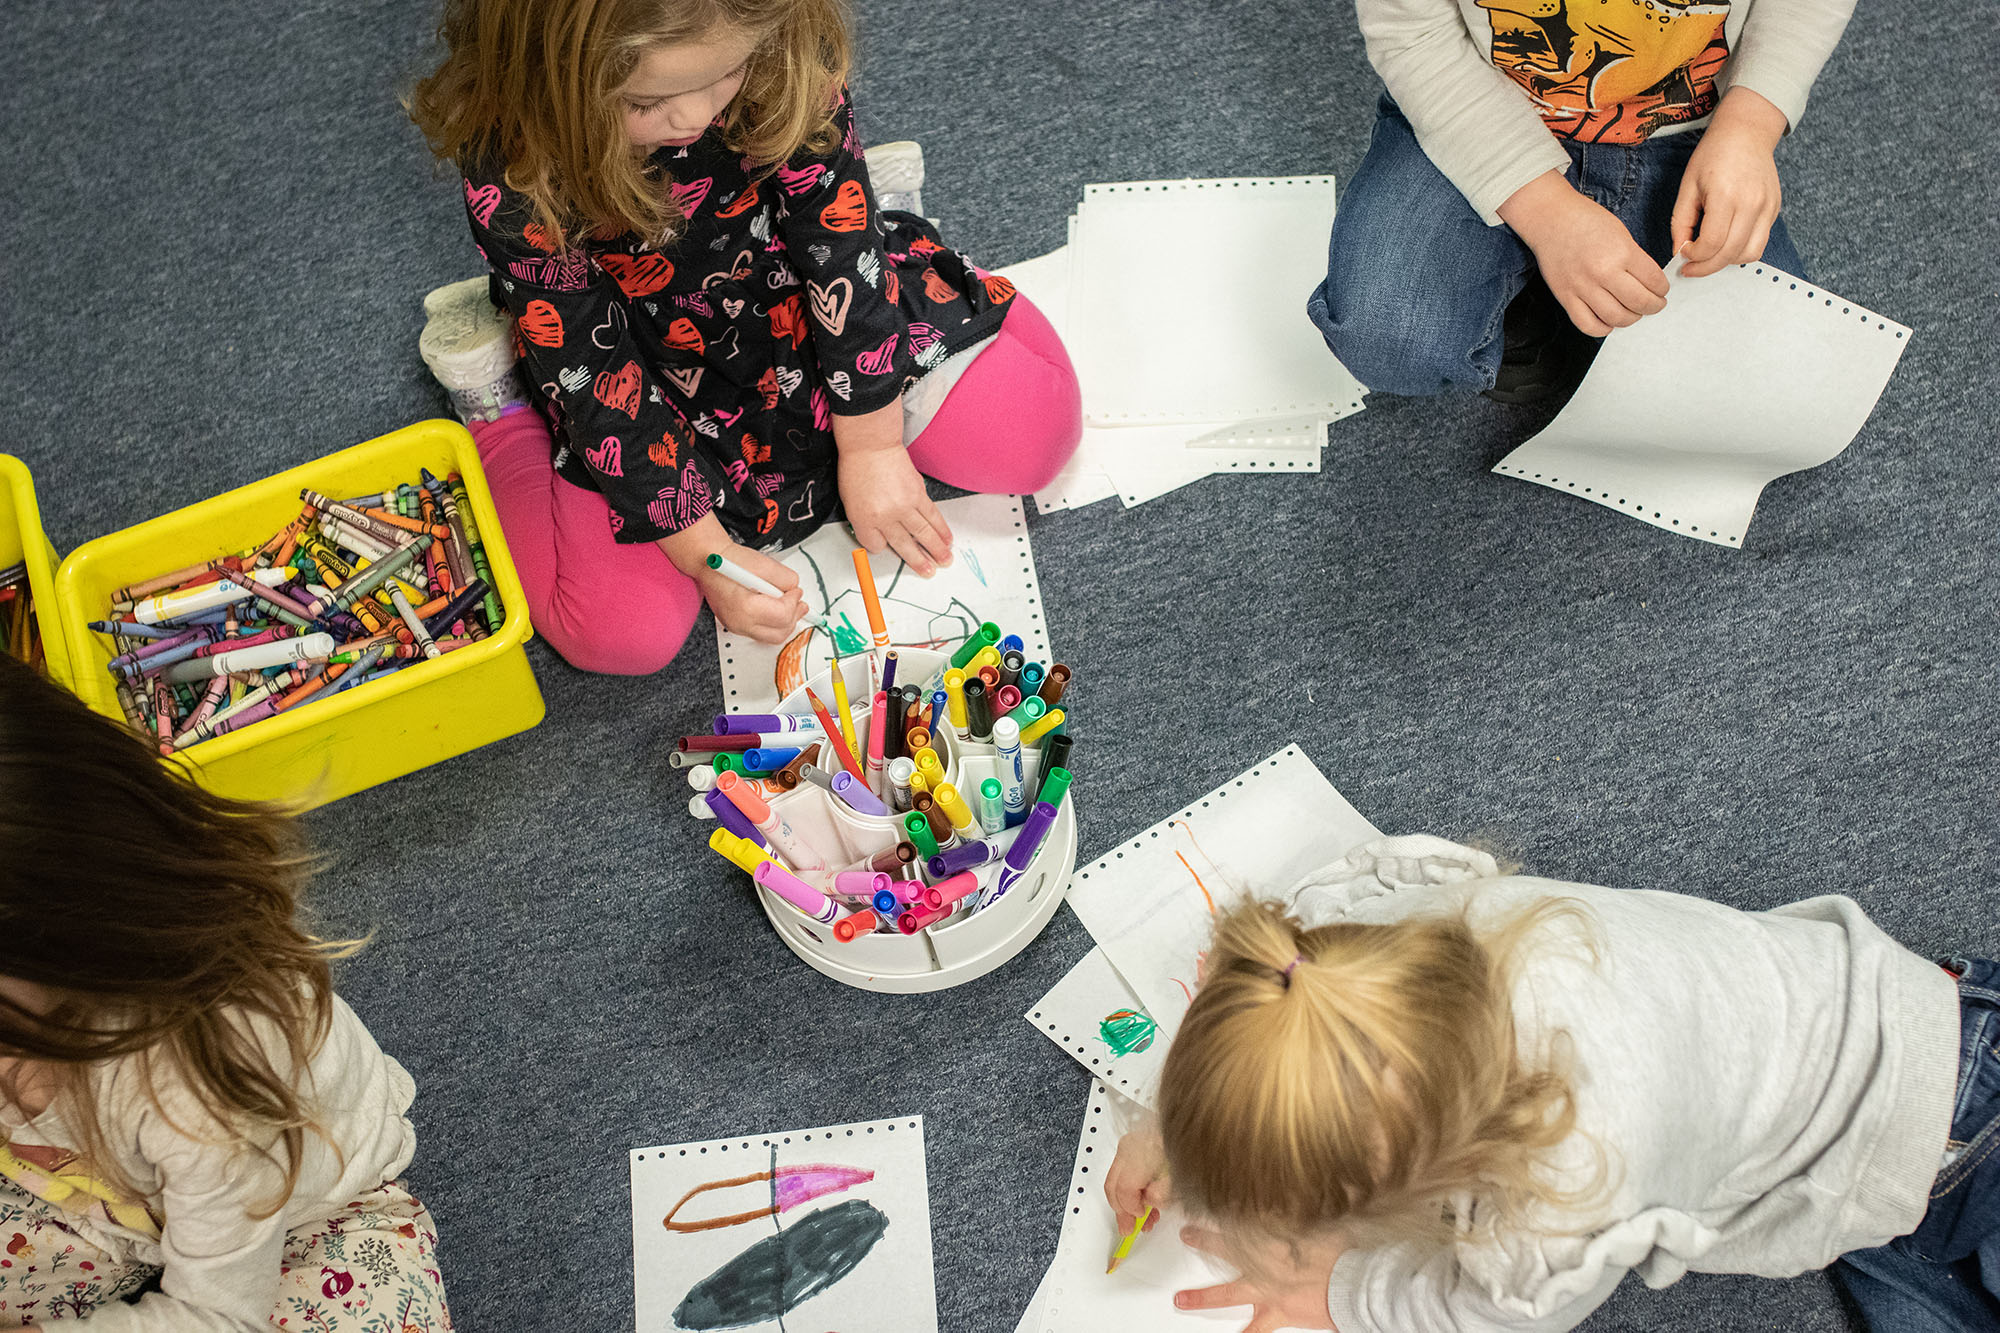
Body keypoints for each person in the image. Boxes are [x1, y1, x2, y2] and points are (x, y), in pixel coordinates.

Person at [407, 0, 1082, 674]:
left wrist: (873, 444)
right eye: (648, 102)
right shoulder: (517, 157)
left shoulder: (778, 42)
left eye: (720, 76)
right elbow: (592, 370)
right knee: (621, 636)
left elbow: (839, 255)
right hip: (637, 363)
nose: (693, 118)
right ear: (543, 72)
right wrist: (706, 555)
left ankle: (889, 212)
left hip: (801, 295)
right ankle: (496, 409)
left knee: (1037, 433)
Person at [1106, 835, 1995, 1331]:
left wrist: (1340, 1293)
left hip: (1945, 1145)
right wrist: (1186, 1121)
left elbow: (1506, 1312)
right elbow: (1278, 1004)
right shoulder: (1376, 941)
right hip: (1908, 1024)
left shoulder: (1562, 1187)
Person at [0, 657, 449, 1330]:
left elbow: (218, 1312)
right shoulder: (41, 984)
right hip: (89, 1194)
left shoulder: (206, 1072)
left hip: (312, 1215)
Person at [1309, 0, 1856, 401]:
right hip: (1481, 109)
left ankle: (1549, 287)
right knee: (1390, 340)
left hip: (1687, 127)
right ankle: (1540, 294)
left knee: (1773, 385)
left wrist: (1750, 124)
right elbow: (1414, 36)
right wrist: (1547, 216)